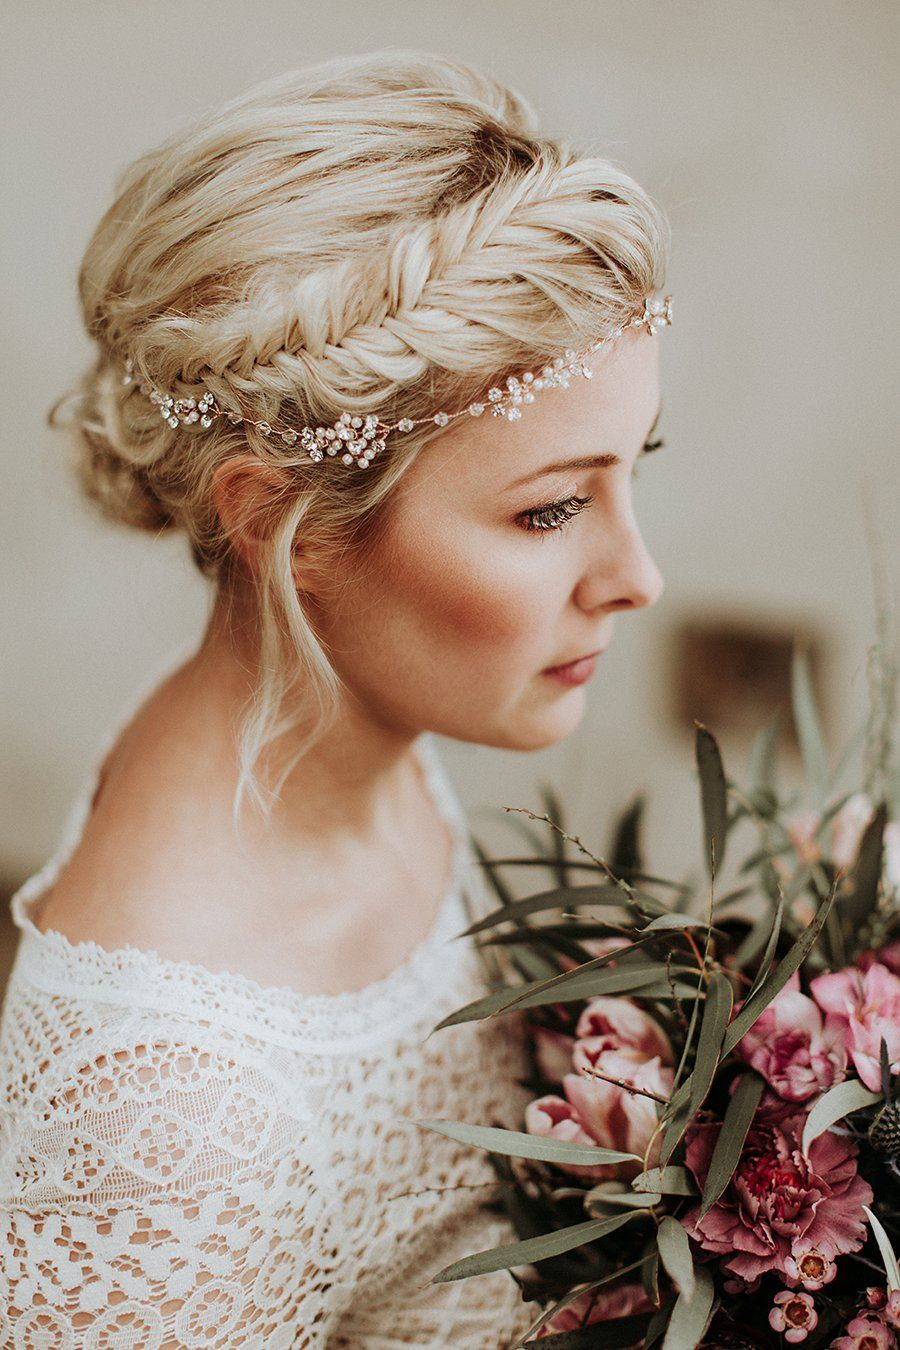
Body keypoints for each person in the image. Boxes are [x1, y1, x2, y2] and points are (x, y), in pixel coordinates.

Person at [0, 48, 671, 1347]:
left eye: (633, 469)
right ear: (283, 525)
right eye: (549, 508)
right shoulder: (164, 1130)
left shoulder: (343, 744)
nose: (638, 576)